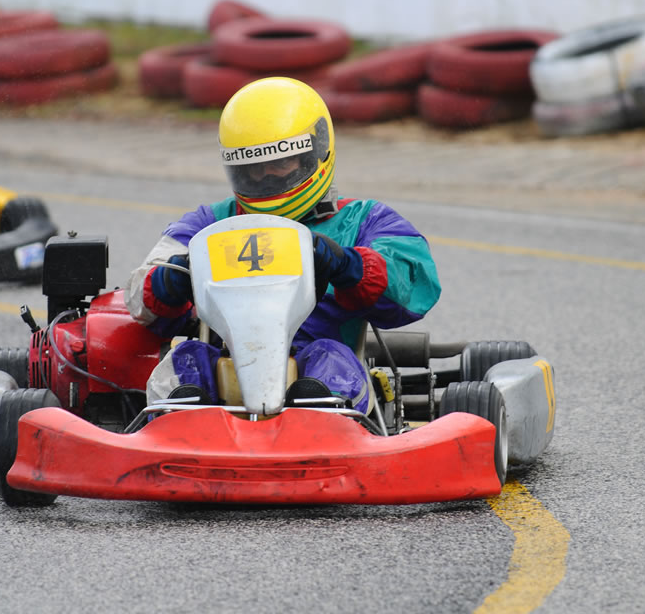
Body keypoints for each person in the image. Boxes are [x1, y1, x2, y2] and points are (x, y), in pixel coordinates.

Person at [125, 76, 441, 413]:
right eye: (252, 168)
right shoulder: (207, 224)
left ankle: (318, 425)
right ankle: (177, 434)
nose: (265, 177)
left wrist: (348, 265)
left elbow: (415, 284)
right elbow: (139, 295)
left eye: (279, 164)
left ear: (317, 151)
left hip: (320, 362)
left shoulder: (365, 220)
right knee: (185, 361)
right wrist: (171, 279)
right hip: (227, 368)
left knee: (329, 360)